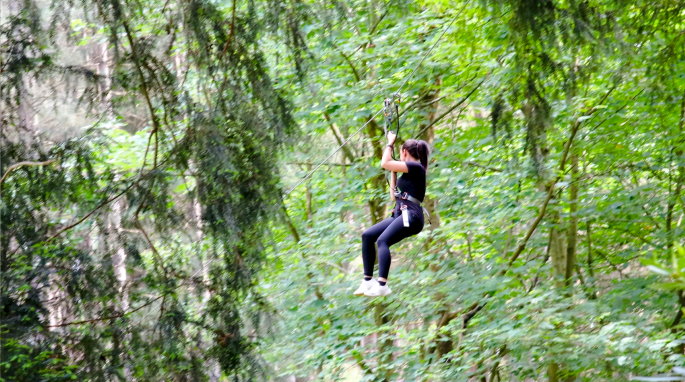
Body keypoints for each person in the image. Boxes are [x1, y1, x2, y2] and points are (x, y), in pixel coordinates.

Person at [353, 131, 430, 297]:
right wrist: (393, 172)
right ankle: (368, 280)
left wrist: (389, 143)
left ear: (404, 152)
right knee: (368, 235)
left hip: (412, 215)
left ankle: (382, 284)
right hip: (401, 213)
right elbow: (393, 195)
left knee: (382, 241)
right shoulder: (409, 172)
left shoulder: (416, 167)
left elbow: (385, 162)